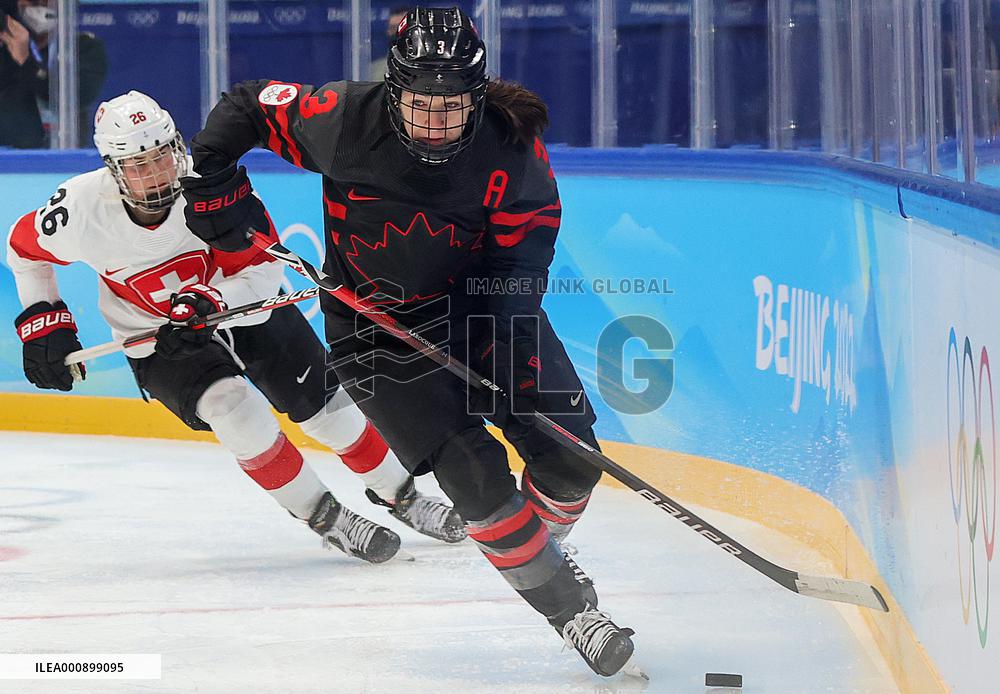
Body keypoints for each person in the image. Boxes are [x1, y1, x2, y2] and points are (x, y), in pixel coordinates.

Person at [177, 6, 639, 678]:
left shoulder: (510, 148)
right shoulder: (341, 118)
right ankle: (573, 612)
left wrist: (495, 324)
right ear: (394, 92)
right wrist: (215, 178)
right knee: (475, 479)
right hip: (373, 331)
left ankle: (543, 552)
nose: (436, 121)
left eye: (452, 107)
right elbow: (246, 107)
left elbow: (527, 247)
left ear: (477, 97)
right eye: (421, 104)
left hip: (478, 310)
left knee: (571, 462)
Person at [6, 90, 466, 565]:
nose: (156, 173)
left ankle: (402, 494)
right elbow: (24, 251)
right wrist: (45, 323)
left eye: (162, 156)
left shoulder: (213, 185)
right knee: (230, 406)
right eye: (138, 165)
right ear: (113, 169)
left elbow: (264, 271)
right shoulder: (79, 209)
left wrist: (212, 299)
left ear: (176, 146)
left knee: (327, 407)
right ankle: (324, 515)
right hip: (155, 332)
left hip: (242, 303)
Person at [0, 0, 108, 148]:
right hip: (14, 153)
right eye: (32, 3)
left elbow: (82, 94)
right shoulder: (6, 50)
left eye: (45, 2)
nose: (39, 8)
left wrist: (26, 61)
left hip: (64, 151)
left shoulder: (83, 47)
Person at [367, 5, 410, 82]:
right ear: (388, 31)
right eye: (394, 27)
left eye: (402, 28)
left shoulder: (428, 68)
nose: (397, 32)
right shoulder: (374, 70)